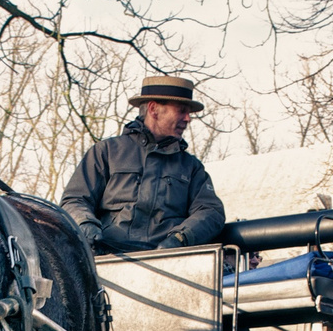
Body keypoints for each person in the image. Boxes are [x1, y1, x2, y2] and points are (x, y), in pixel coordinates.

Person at [60, 75, 225, 253]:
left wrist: (181, 238)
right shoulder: (106, 152)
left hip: (169, 263)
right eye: (181, 110)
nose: (187, 119)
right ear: (154, 109)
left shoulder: (191, 167)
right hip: (106, 259)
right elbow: (74, 199)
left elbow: (211, 211)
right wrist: (85, 224)